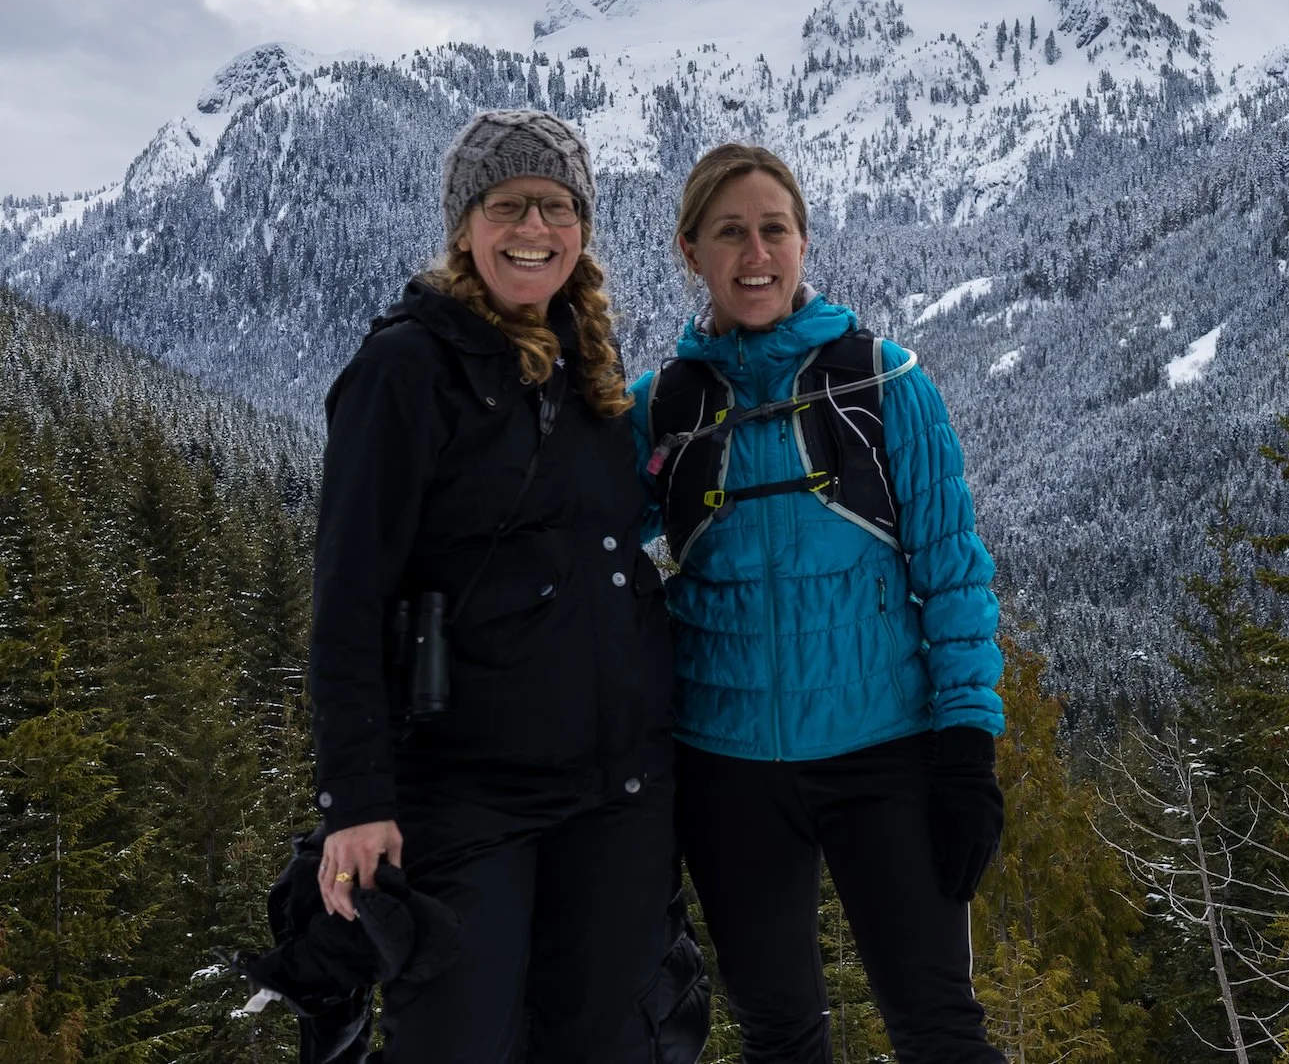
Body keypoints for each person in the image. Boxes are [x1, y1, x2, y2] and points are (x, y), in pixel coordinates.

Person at [308, 108, 681, 1061]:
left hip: (616, 798)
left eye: (556, 205)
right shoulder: (405, 368)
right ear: (464, 225)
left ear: (583, 228)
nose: (534, 228)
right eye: (507, 203)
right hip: (469, 797)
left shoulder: (588, 373)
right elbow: (348, 594)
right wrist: (355, 799)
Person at [631, 142, 1008, 1064]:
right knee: (779, 1033)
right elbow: (573, 543)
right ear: (691, 251)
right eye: (730, 233)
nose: (754, 253)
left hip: (885, 752)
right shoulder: (661, 410)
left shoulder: (884, 386)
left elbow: (953, 574)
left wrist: (966, 747)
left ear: (804, 245)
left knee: (939, 1029)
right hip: (725, 770)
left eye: (774, 230)